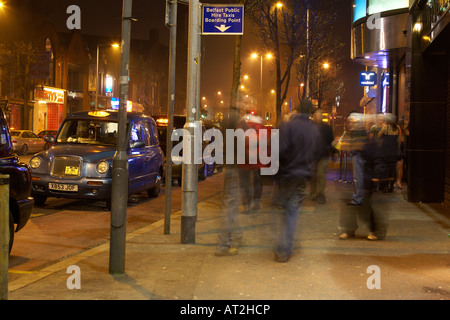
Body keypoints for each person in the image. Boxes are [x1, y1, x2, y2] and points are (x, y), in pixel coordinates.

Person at [272, 99, 319, 262]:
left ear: (297, 110)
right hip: (303, 176)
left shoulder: (288, 126)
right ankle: (285, 248)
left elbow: (279, 150)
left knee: (285, 211)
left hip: (287, 174)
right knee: (292, 211)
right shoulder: (314, 129)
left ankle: (282, 247)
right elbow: (315, 153)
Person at [215, 107, 243, 256]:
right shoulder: (238, 133)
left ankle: (232, 238)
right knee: (230, 206)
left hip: (229, 168)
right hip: (235, 169)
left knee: (230, 205)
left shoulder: (226, 132)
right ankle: (227, 241)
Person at [237, 111, 265, 212]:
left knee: (245, 182)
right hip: (257, 160)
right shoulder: (261, 126)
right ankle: (256, 203)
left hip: (244, 159)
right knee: (257, 182)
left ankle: (246, 204)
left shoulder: (241, 125)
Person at [340, 112, 368, 206]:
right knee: (358, 178)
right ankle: (359, 197)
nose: (350, 124)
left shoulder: (358, 130)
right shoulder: (359, 129)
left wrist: (348, 145)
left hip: (358, 156)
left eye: (351, 121)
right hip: (358, 155)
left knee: (358, 178)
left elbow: (359, 144)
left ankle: (358, 198)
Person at [310, 109, 334, 204]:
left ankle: (320, 193)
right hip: (312, 155)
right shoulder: (310, 127)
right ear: (314, 116)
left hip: (323, 154)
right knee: (313, 175)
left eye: (319, 115)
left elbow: (331, 140)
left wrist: (334, 151)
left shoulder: (327, 128)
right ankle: (313, 192)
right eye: (316, 115)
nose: (318, 117)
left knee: (321, 174)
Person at [377, 114, 401, 192]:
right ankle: (391, 186)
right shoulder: (398, 128)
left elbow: (379, 135)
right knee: (393, 168)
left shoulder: (385, 127)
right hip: (394, 150)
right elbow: (399, 140)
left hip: (385, 150)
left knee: (385, 168)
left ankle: (385, 186)